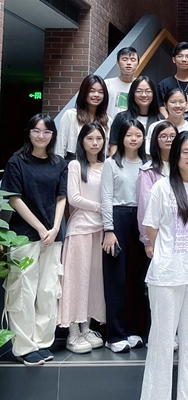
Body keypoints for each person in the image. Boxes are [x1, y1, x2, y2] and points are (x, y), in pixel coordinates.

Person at [139, 131, 188, 400]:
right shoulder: (161, 187)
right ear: (175, 155)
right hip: (167, 275)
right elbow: (151, 228)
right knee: (162, 343)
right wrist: (167, 254)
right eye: (185, 152)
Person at [1, 113, 68, 365]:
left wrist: (55, 227)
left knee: (48, 290)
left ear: (53, 135)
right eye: (36, 131)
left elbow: (62, 197)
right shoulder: (17, 162)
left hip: (53, 236)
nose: (41, 135)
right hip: (25, 236)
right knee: (23, 290)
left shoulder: (59, 163)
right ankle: (24, 346)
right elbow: (14, 199)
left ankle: (41, 342)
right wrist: (40, 228)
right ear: (29, 133)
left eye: (47, 131)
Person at [57, 123, 106, 354]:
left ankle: (86, 328)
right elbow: (74, 198)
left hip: (101, 230)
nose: (95, 143)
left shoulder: (107, 166)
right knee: (76, 280)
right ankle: (73, 332)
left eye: (99, 138)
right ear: (82, 141)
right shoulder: (75, 165)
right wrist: (100, 207)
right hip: (80, 229)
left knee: (93, 281)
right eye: (90, 139)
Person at [101, 119, 148, 353]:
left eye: (138, 135)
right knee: (116, 279)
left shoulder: (148, 164)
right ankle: (115, 335)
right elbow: (106, 197)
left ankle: (133, 330)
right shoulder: (111, 163)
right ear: (121, 137)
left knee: (136, 278)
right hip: (118, 219)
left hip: (142, 219)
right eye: (129, 135)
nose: (133, 139)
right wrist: (108, 230)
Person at [137, 121, 178, 258]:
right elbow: (144, 207)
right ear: (155, 140)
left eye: (173, 136)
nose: (169, 140)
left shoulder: (184, 167)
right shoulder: (148, 171)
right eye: (163, 136)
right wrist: (147, 241)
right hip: (158, 233)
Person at [56, 74, 111, 159]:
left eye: (101, 92)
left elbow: (107, 150)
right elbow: (60, 147)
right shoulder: (71, 115)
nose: (96, 95)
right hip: (73, 161)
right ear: (84, 92)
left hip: (98, 164)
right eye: (92, 91)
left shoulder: (107, 120)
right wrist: (59, 165)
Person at [109, 76, 163, 155]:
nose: (144, 95)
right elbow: (114, 145)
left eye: (148, 91)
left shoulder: (160, 119)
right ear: (132, 94)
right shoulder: (121, 118)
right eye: (139, 91)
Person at [145, 88, 188, 155]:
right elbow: (149, 152)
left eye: (181, 102)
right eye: (173, 102)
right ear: (165, 105)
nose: (177, 105)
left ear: (186, 104)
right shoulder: (155, 127)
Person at [157, 42, 188, 124]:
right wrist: (170, 123)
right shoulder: (164, 84)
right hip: (169, 125)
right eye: (180, 56)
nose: (184, 59)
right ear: (174, 59)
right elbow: (161, 106)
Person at [104, 47, 140, 119]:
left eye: (133, 60)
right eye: (124, 59)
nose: (129, 63)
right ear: (117, 63)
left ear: (138, 64)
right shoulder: (107, 84)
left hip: (134, 125)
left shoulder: (141, 86)